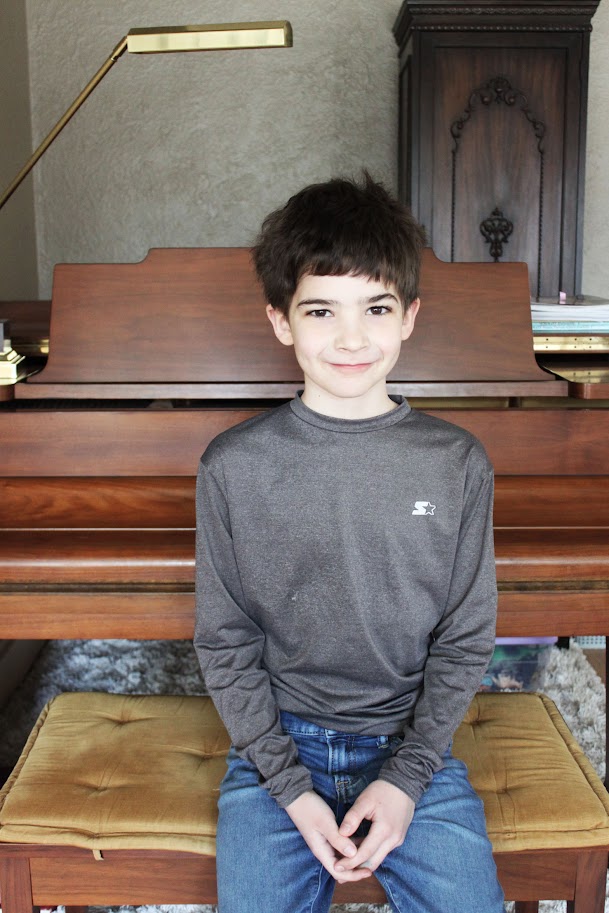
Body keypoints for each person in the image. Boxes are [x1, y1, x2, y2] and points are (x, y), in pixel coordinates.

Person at [194, 173, 505, 913]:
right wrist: (292, 791)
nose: (351, 337)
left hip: (411, 751)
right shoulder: (232, 465)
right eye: (320, 310)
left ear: (408, 317)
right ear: (280, 321)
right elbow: (224, 640)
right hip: (275, 756)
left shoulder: (456, 461)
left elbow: (465, 639)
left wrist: (405, 779)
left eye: (375, 307)